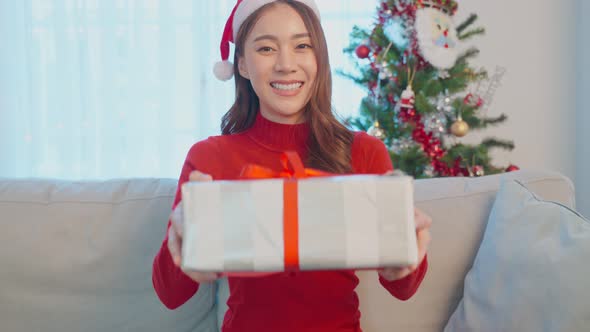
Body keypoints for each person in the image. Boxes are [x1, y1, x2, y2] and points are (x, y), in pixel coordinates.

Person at [152, 1, 432, 331]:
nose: (286, 64)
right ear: (241, 64)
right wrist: (182, 237)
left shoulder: (364, 152)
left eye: (302, 46)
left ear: (319, 58)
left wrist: (406, 256)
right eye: (266, 48)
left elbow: (404, 287)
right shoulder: (209, 158)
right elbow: (170, 294)